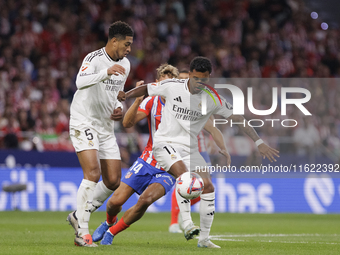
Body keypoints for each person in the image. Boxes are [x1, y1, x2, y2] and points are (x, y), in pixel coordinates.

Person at [124, 56, 280, 248]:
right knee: (185, 177)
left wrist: (259, 141)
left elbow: (238, 118)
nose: (200, 83)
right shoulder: (173, 85)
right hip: (164, 143)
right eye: (197, 78)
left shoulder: (212, 97)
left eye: (205, 79)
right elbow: (146, 88)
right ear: (189, 75)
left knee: (208, 186)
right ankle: (187, 224)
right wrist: (125, 95)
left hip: (189, 147)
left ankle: (204, 239)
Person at [91, 64, 179, 245]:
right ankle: (109, 221)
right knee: (114, 202)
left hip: (170, 167)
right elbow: (127, 122)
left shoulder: (183, 105)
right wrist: (138, 100)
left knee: (145, 200)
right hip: (147, 161)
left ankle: (112, 233)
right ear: (156, 84)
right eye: (163, 83)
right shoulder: (151, 102)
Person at [67, 21, 134, 247]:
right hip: (83, 119)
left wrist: (119, 107)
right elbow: (80, 82)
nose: (129, 49)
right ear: (114, 40)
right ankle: (82, 232)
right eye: (126, 44)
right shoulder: (94, 58)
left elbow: (117, 93)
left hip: (106, 126)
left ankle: (78, 214)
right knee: (93, 173)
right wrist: (105, 72)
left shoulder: (126, 64)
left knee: (113, 180)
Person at [168, 70, 227, 234]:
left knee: (205, 185)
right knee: (183, 181)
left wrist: (211, 138)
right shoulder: (173, 98)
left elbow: (209, 117)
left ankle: (181, 214)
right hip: (182, 146)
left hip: (199, 146)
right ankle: (174, 222)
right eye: (181, 79)